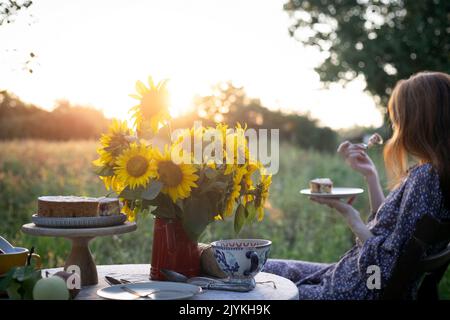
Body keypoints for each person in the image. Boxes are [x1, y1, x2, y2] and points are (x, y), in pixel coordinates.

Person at [263, 71, 450, 299]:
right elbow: (390, 232)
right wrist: (370, 175)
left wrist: (352, 217)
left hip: (353, 289)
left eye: (399, 117)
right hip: (348, 275)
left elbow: (385, 268)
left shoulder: (425, 178)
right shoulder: (435, 174)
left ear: (419, 120)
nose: (396, 126)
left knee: (256, 284)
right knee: (262, 266)